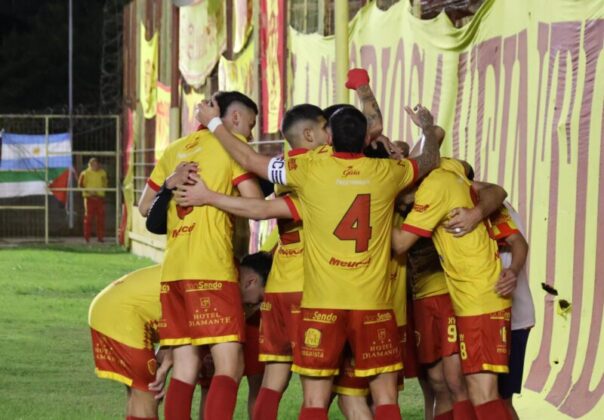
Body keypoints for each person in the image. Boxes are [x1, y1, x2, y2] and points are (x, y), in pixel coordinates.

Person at [194, 90, 441, 419]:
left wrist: (214, 124)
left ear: (330, 138)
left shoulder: (308, 168)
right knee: (384, 397)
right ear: (364, 139)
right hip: (372, 304)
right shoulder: (388, 172)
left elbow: (251, 162)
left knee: (313, 399)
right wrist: (427, 129)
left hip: (321, 304)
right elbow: (429, 160)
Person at [139, 90, 264, 420]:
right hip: (211, 269)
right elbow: (255, 203)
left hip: (173, 274)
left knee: (185, 365)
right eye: (250, 125)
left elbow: (143, 206)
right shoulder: (231, 146)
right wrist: (213, 197)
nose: (250, 134)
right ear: (234, 118)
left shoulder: (174, 150)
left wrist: (170, 183)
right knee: (230, 364)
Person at [392, 161, 513, 419]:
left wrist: (369, 211)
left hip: (479, 297)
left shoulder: (433, 188)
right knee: (475, 389)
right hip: (475, 297)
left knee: (482, 392)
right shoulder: (448, 172)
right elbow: (496, 189)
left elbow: (400, 243)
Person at [88, 265, 172, 420]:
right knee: (148, 392)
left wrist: (163, 365)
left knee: (139, 391)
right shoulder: (206, 277)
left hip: (111, 308)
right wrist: (165, 366)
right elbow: (187, 328)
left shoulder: (189, 265)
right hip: (122, 316)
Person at [198, 252, 273, 420]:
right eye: (260, 299)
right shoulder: (220, 275)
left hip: (245, 327)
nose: (258, 306)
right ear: (251, 282)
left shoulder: (224, 266)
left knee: (254, 384)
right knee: (216, 379)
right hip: (219, 324)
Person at [79, 157, 108, 242]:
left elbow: (105, 184)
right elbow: (80, 185)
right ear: (89, 165)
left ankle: (100, 237)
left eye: (96, 164)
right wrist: (88, 191)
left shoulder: (102, 173)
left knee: (100, 219)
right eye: (92, 164)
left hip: (100, 198)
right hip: (89, 198)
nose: (94, 166)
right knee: (88, 218)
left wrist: (101, 191)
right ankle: (87, 237)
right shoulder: (84, 173)